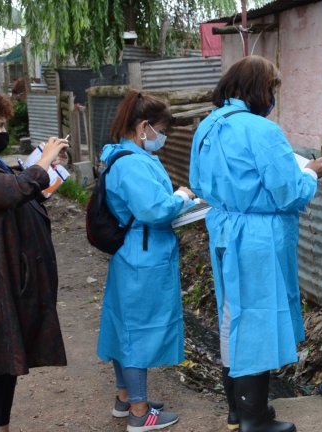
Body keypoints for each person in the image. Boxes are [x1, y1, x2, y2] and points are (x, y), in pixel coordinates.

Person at [189, 55, 322, 432]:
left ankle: (239, 410)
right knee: (257, 319)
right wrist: (310, 174)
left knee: (232, 315)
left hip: (223, 229)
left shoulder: (207, 126)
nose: (272, 98)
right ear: (259, 90)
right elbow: (288, 193)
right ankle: (253, 419)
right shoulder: (263, 131)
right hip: (256, 237)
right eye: (271, 89)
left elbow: (197, 184)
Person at [96, 91, 195, 432]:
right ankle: (140, 413)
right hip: (144, 256)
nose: (162, 138)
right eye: (161, 131)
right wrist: (181, 197)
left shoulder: (121, 156)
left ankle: (125, 397)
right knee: (137, 331)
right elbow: (154, 209)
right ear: (143, 127)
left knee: (123, 325)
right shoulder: (133, 163)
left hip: (134, 253)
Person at [0, 90, 68, 432]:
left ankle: (2, 425)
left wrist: (44, 170)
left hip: (3, 281)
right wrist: (42, 162)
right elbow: (9, 191)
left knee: (6, 360)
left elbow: (16, 189)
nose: (2, 132)